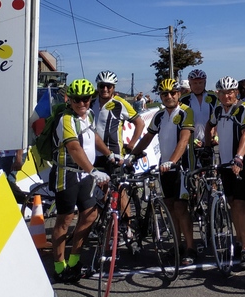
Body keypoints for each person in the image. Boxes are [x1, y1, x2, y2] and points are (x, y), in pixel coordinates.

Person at [51, 79, 117, 283]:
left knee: (89, 215)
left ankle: (74, 261)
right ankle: (59, 267)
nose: (82, 103)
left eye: (86, 99)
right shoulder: (66, 119)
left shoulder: (89, 115)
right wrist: (93, 170)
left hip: (86, 175)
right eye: (77, 99)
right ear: (69, 100)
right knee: (65, 219)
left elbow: (93, 137)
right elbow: (74, 148)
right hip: (67, 174)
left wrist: (109, 154)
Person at [126, 78, 197, 265]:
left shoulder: (186, 112)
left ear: (179, 94)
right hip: (165, 169)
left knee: (181, 208)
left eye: (173, 93)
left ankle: (191, 247)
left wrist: (172, 161)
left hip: (182, 167)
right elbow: (147, 138)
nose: (169, 96)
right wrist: (132, 155)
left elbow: (184, 140)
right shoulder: (159, 115)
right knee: (170, 207)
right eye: (165, 94)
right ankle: (178, 245)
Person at [206, 76, 245, 270]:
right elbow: (210, 125)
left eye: (230, 92)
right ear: (218, 94)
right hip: (224, 165)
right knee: (232, 203)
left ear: (236, 92)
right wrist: (208, 145)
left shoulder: (244, 108)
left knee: (241, 205)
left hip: (240, 164)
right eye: (222, 92)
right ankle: (238, 239)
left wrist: (239, 157)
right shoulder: (218, 110)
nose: (226, 96)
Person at [91, 70, 144, 170]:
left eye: (108, 86)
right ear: (97, 87)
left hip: (113, 154)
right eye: (102, 86)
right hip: (93, 153)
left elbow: (140, 123)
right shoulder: (91, 103)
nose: (105, 89)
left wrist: (131, 145)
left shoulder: (120, 103)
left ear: (113, 88)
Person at [182, 69, 218, 155]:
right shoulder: (184, 100)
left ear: (205, 83)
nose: (198, 86)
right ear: (190, 84)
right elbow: (180, 124)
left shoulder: (213, 98)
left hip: (209, 142)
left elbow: (218, 118)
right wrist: (191, 139)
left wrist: (216, 135)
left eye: (200, 83)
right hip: (191, 143)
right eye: (195, 83)